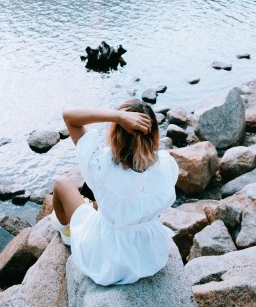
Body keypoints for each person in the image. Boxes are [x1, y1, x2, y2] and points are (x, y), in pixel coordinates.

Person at [50, 99, 179, 286]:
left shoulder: (101, 165)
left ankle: (66, 231)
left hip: (109, 258)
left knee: (61, 183)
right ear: (154, 134)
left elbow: (69, 115)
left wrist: (117, 116)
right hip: (150, 253)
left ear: (116, 133)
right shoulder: (167, 164)